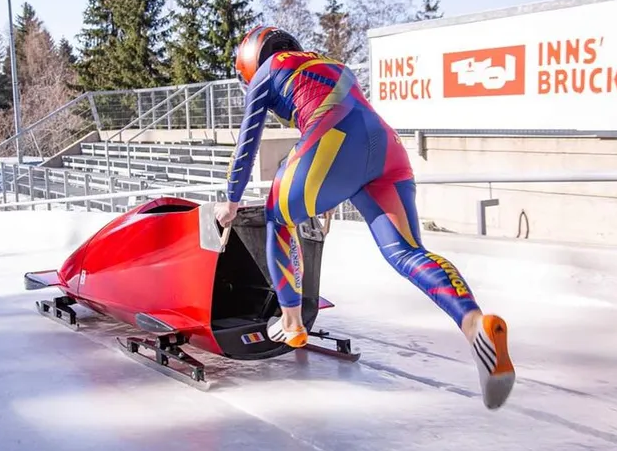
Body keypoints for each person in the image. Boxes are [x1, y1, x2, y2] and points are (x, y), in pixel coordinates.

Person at [213, 25, 515, 410]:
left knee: (277, 215)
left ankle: (291, 324)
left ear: (251, 61)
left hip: (331, 140)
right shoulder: (333, 65)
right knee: (406, 252)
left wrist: (232, 200)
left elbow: (247, 143)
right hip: (387, 149)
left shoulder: (269, 70)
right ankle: (475, 324)